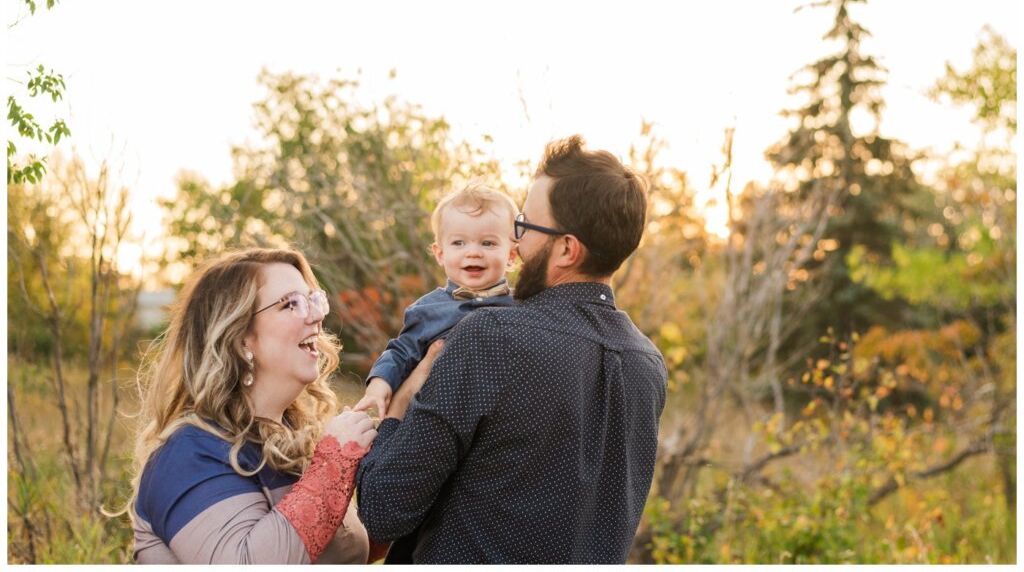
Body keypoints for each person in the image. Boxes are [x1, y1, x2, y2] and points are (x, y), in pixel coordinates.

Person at [356, 135, 669, 564]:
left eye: (523, 227)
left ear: (566, 249)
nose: (515, 244)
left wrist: (397, 408)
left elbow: (382, 512)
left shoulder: (493, 337)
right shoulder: (648, 364)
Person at [126, 248, 388, 564]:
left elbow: (344, 551)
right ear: (240, 339)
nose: (317, 316)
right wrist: (334, 463)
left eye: (313, 300)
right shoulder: (189, 453)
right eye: (291, 304)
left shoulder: (292, 445)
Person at [353, 180, 518, 419]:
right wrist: (380, 382)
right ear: (440, 254)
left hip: (500, 419)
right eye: (458, 242)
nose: (473, 252)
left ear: (511, 255)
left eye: (488, 243)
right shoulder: (428, 309)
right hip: (440, 416)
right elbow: (401, 351)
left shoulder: (522, 307)